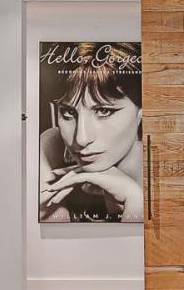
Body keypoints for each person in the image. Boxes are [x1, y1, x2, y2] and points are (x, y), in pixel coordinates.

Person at [38, 43, 143, 222]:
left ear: (142, 110)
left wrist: (135, 200)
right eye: (68, 112)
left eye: (104, 111)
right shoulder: (53, 145)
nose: (81, 139)